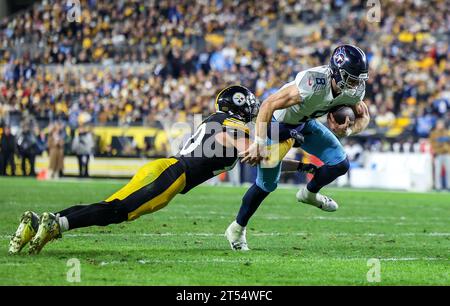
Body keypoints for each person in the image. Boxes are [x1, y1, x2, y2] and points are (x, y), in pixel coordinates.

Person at [9, 85, 312, 255]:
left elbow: (257, 154)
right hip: (172, 174)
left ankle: (42, 222)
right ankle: (55, 223)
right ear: (242, 107)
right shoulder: (226, 123)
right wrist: (286, 136)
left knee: (112, 208)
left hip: (167, 171)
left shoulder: (222, 122)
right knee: (116, 211)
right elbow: (251, 150)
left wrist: (299, 165)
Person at [225, 45, 371, 250]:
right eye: (352, 78)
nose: (356, 84)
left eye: (359, 79)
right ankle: (237, 229)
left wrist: (348, 131)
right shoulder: (314, 83)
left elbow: (364, 116)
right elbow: (267, 104)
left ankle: (309, 194)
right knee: (266, 185)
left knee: (340, 163)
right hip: (276, 128)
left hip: (305, 124)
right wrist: (258, 142)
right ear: (337, 73)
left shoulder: (353, 90)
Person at [429, 120, 450, 190]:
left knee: (448, 171)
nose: (440, 125)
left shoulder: (447, 132)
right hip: (438, 154)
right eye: (439, 124)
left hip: (447, 153)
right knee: (437, 171)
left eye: (441, 124)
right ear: (436, 125)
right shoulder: (433, 133)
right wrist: (440, 143)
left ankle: (448, 186)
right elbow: (432, 143)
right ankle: (438, 186)